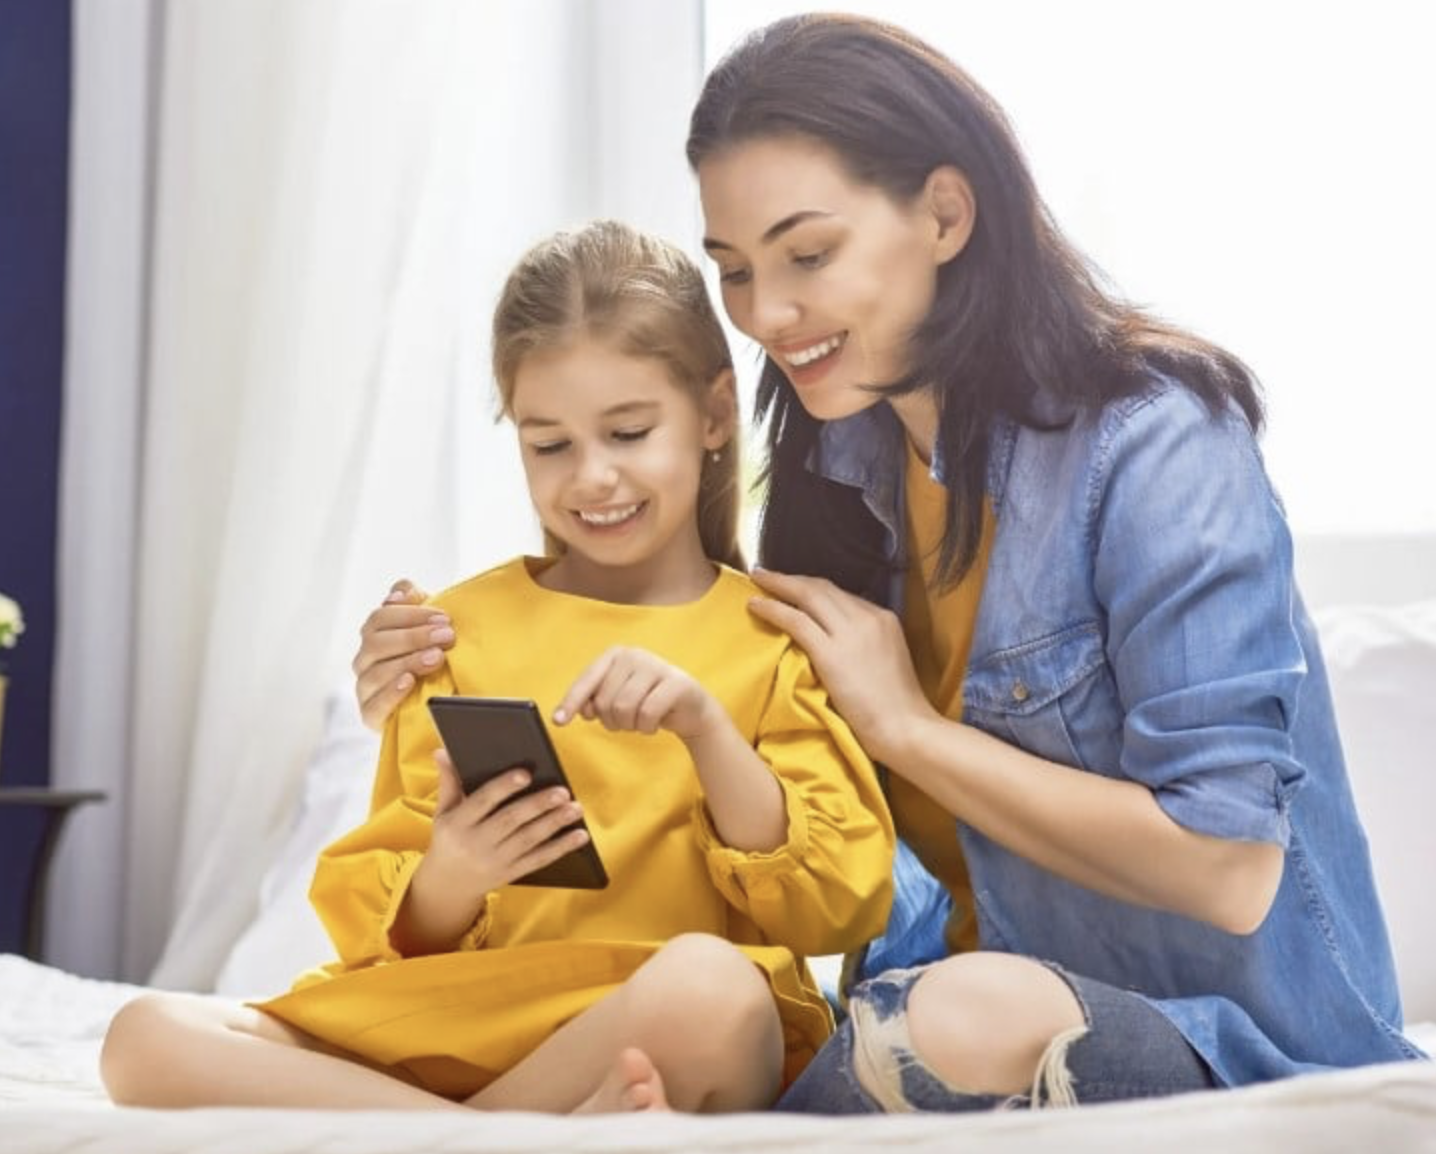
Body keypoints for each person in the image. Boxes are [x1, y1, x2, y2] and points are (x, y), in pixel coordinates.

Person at [354, 13, 1431, 1116]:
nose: (766, 314)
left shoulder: (1154, 443)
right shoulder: (836, 456)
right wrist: (430, 668)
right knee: (804, 1037)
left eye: (806, 254)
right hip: (915, 1025)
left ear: (944, 214)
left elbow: (1228, 865)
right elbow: (758, 752)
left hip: (1215, 1039)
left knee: (951, 1016)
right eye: (733, 270)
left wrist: (910, 729)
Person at [100, 219, 895, 1115]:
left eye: (629, 432)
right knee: (144, 1038)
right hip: (461, 1021)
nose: (592, 477)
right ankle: (494, 1132)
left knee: (715, 992)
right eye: (548, 444)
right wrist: (454, 871)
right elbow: (391, 936)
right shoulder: (453, 631)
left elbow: (832, 908)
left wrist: (706, 730)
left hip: (640, 1020)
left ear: (714, 414)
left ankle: (454, 1134)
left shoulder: (770, 637)